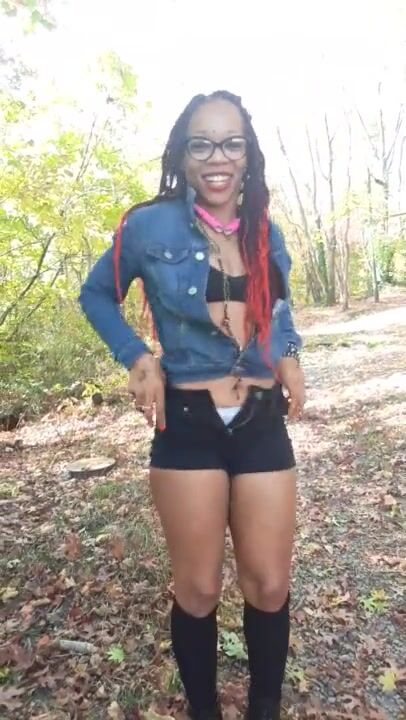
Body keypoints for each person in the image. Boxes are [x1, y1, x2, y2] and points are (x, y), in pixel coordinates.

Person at [79, 90, 305, 720]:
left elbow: (280, 310)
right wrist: (137, 357)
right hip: (187, 422)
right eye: (201, 143)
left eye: (232, 143)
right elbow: (95, 294)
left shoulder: (265, 231)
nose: (217, 157)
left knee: (269, 583)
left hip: (260, 420)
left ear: (248, 154)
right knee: (200, 587)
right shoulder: (148, 226)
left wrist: (289, 355)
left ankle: (264, 711)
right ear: (182, 154)